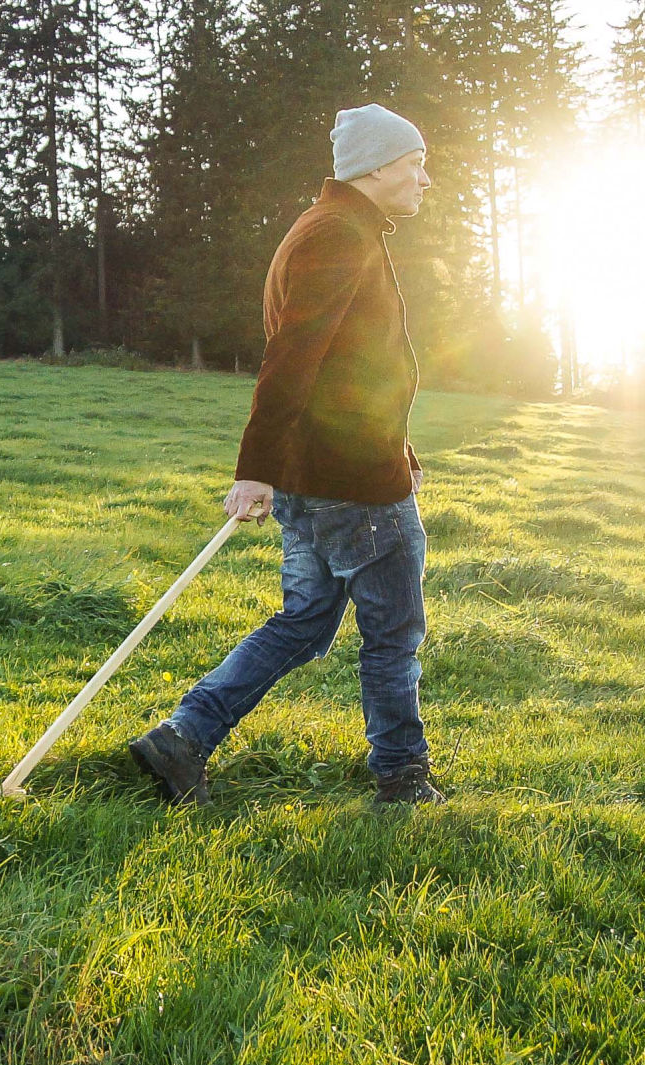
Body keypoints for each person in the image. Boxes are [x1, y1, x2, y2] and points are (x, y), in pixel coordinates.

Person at [130, 103, 443, 806]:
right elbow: (294, 358)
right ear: (379, 167)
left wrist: (402, 444)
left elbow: (355, 365)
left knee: (303, 621)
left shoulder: (338, 227)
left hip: (329, 471)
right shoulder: (338, 235)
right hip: (354, 484)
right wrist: (254, 468)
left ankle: (184, 737)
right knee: (394, 636)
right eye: (417, 164)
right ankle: (402, 778)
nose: (427, 178)